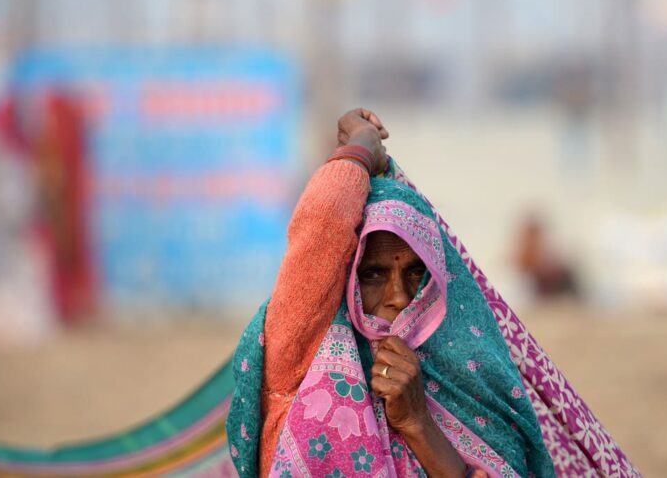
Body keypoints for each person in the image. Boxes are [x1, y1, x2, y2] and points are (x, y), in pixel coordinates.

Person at [226, 110, 636, 477]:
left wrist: (419, 423)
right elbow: (324, 222)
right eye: (372, 274)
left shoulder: (469, 377)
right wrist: (362, 150)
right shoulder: (299, 350)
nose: (399, 298)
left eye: (416, 273)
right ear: (342, 276)